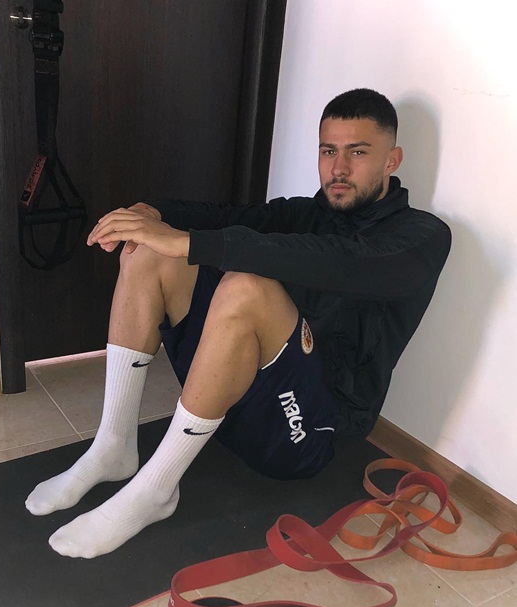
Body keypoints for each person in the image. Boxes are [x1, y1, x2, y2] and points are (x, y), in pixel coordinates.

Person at [25, 88, 451, 559]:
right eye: (329, 151)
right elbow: (230, 217)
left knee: (247, 285)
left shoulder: (422, 238)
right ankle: (113, 445)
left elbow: (339, 260)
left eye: (358, 152)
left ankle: (156, 490)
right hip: (237, 405)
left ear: (392, 160)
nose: (339, 168)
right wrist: (153, 215)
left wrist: (190, 242)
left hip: (308, 436)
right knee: (149, 252)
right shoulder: (304, 213)